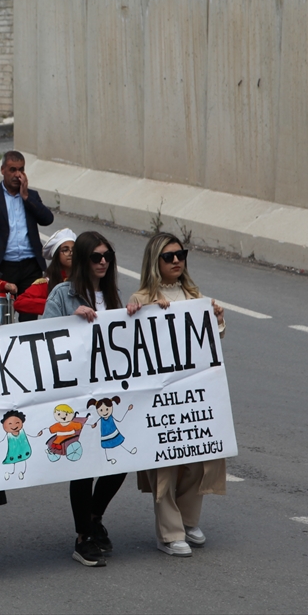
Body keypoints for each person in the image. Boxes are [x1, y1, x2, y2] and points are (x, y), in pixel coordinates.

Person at [129, 233, 227, 557]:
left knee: (199, 459)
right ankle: (169, 534)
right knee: (165, 469)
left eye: (180, 254)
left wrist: (216, 317)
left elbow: (210, 342)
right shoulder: (141, 297)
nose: (176, 261)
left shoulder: (195, 295)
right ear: (155, 261)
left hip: (195, 395)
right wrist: (138, 310)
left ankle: (187, 520)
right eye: (168, 256)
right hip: (159, 397)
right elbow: (129, 341)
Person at [42, 230, 126, 568]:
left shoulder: (113, 294)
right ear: (83, 261)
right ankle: (83, 537)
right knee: (83, 464)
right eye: (96, 257)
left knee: (118, 459)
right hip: (76, 392)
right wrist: (69, 321)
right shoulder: (63, 294)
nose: (103, 261)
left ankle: (93, 517)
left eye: (107, 256)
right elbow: (42, 335)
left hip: (108, 390)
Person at [0, 150, 54, 321]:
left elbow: (47, 219)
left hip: (31, 266)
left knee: (29, 316)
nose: (17, 175)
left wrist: (26, 197)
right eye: (12, 170)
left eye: (21, 170)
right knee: (2, 317)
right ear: (2, 170)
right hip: (4, 266)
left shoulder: (31, 196)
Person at [14, 228, 75, 317]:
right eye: (65, 250)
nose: (71, 253)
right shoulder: (48, 282)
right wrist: (54, 305)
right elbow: (19, 302)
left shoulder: (86, 277)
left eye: (74, 250)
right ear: (56, 255)